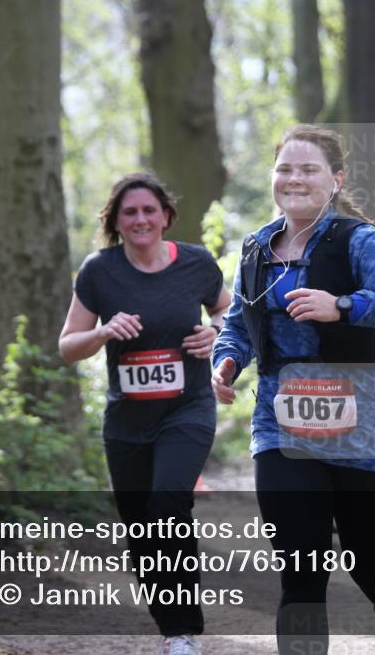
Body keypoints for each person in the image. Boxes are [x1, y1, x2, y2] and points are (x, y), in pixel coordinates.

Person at [211, 124, 375, 655]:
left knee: (368, 561)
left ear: (335, 180)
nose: (295, 179)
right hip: (283, 430)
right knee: (301, 571)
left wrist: (345, 305)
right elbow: (240, 324)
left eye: (308, 169)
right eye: (285, 168)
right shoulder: (256, 247)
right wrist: (226, 362)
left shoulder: (357, 240)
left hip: (364, 431)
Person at [59, 173, 230, 655]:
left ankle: (183, 633)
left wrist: (215, 331)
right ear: (115, 222)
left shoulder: (196, 262)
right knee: (140, 525)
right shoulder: (99, 271)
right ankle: (169, 623)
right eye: (129, 212)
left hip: (187, 408)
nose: (140, 219)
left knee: (168, 503)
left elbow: (227, 310)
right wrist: (103, 333)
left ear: (166, 216)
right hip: (127, 421)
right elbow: (68, 346)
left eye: (149, 210)